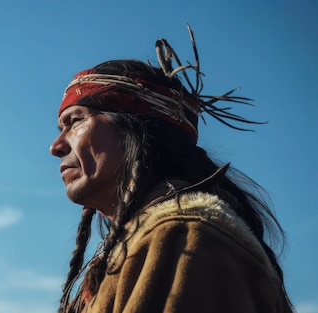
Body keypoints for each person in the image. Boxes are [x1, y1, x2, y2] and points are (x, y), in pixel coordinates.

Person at [49, 26, 294, 313]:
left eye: (75, 121)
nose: (56, 146)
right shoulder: (147, 241)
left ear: (135, 130)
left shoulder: (185, 235)